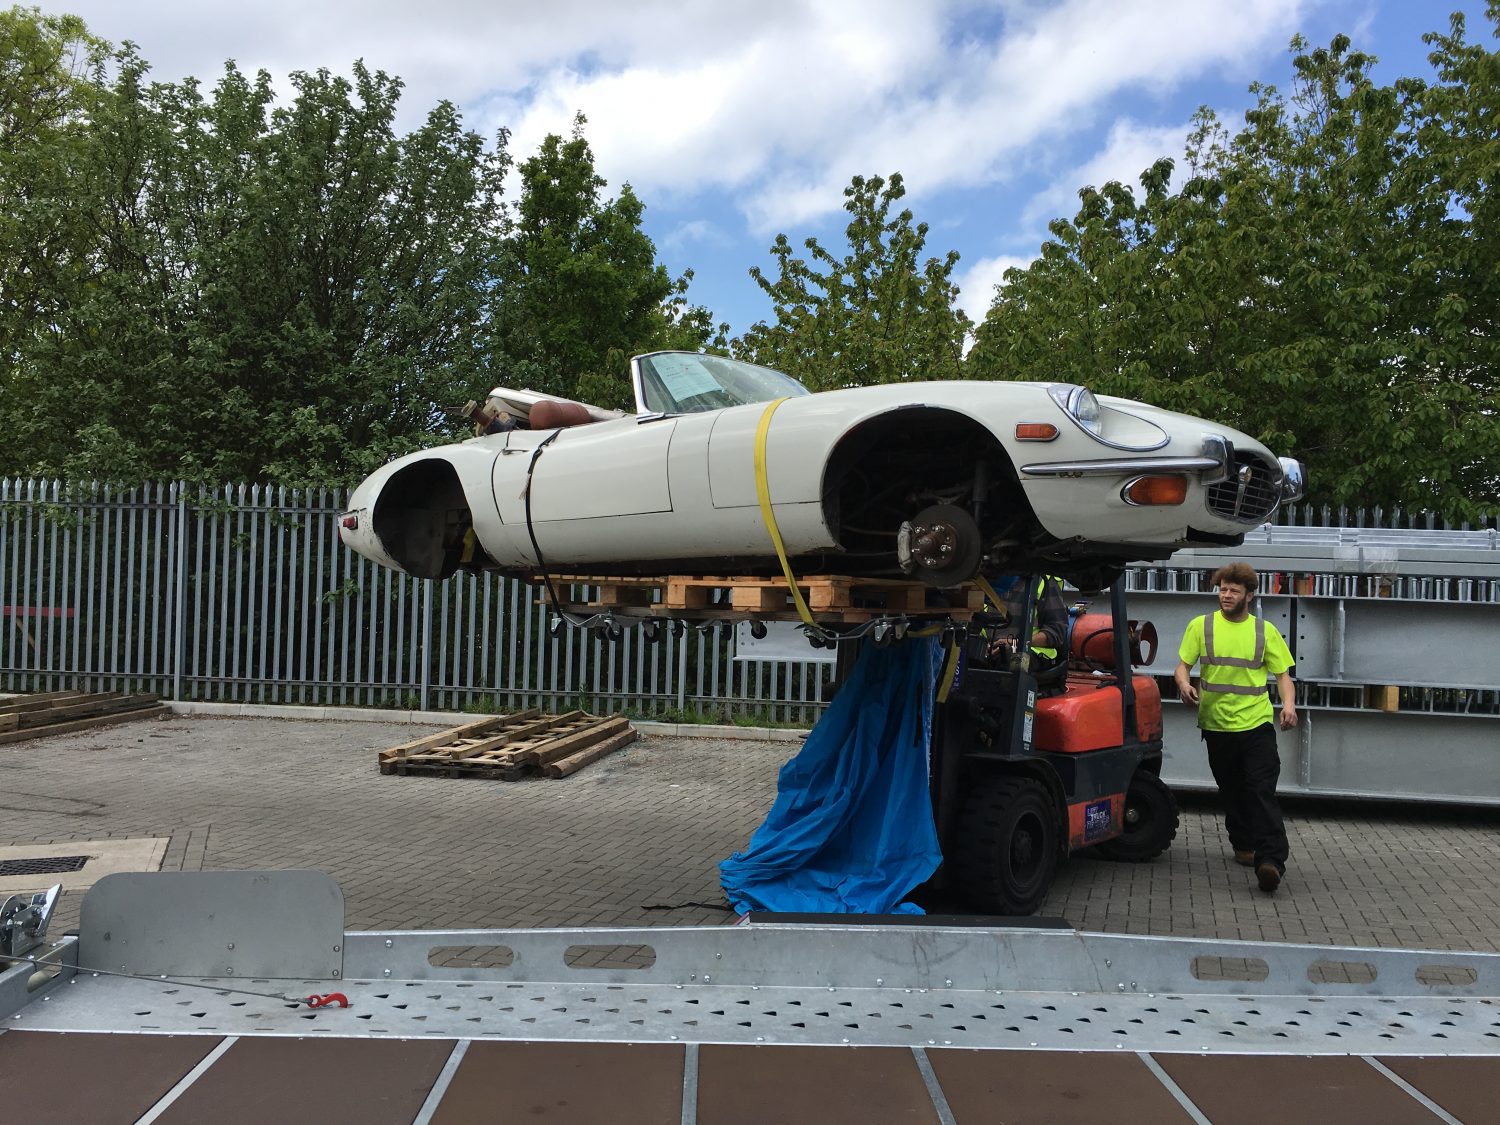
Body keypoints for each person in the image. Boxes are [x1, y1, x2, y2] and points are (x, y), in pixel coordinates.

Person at [1174, 563, 1297, 894]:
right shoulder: (1201, 626)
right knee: (1232, 790)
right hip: (1216, 725)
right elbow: (1182, 667)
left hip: (1256, 724)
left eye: (1233, 591)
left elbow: (1283, 675)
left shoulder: (1264, 631)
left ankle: (1270, 861)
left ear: (1249, 596)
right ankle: (1243, 843)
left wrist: (1288, 705)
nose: (1226, 596)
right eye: (1223, 590)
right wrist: (1184, 685)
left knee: (1260, 789)